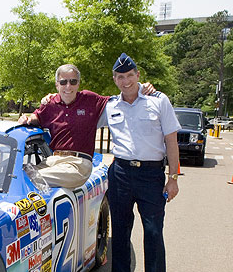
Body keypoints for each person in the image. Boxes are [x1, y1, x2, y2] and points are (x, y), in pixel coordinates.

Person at [99, 53, 180, 272]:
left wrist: (173, 177)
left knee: (154, 233)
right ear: (115, 79)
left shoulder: (159, 101)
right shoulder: (110, 106)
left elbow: (171, 141)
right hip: (120, 173)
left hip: (151, 175)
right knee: (120, 232)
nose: (125, 81)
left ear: (138, 75)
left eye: (130, 75)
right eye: (120, 77)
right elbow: (78, 108)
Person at [18, 64, 154, 188]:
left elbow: (120, 99)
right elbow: (36, 118)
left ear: (78, 84)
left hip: (78, 165)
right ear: (57, 85)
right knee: (19, 174)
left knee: (30, 177)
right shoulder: (50, 104)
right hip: (53, 161)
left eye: (73, 81)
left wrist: (140, 87)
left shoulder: (89, 99)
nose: (68, 86)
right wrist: (26, 119)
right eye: (63, 82)